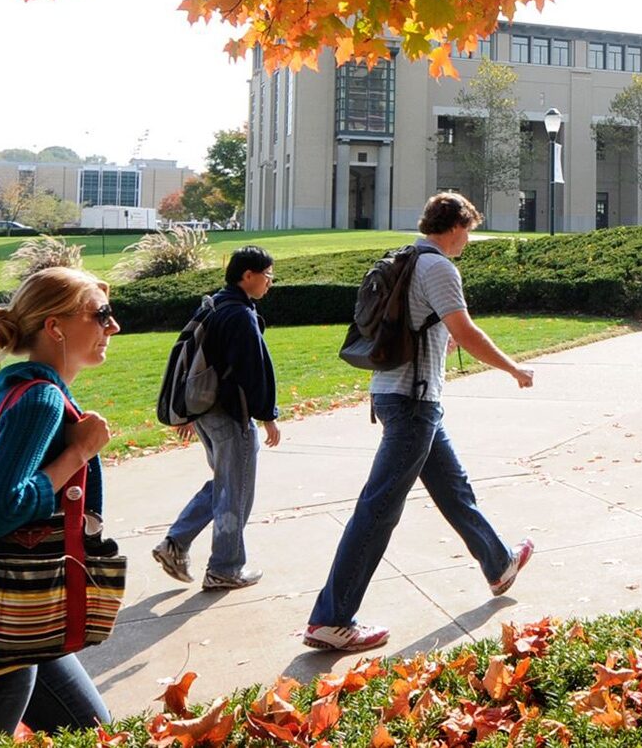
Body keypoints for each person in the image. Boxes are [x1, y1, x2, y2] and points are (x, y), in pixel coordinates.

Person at [303, 193, 536, 654]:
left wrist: (439, 342)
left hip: (400, 395)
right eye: (467, 230)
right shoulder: (439, 267)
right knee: (378, 510)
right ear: (454, 226)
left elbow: (418, 324)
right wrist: (513, 368)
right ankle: (331, 619)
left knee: (454, 488)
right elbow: (467, 330)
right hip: (413, 403)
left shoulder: (406, 259)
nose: (468, 239)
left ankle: (498, 563)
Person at [0, 267, 117, 748]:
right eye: (101, 315)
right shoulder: (40, 401)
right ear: (55, 327)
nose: (113, 327)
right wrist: (78, 453)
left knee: (91, 735)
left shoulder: (16, 391)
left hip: (21, 610)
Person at [154, 246, 283, 591]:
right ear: (248, 276)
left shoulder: (215, 305)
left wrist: (188, 412)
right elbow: (252, 372)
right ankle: (225, 568)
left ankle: (176, 543)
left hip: (207, 414)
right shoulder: (239, 314)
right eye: (268, 275)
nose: (270, 283)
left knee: (226, 483)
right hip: (230, 415)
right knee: (236, 492)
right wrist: (267, 415)